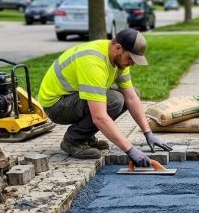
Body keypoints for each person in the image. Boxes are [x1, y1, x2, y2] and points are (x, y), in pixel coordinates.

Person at [37, 28, 171, 166]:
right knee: (114, 100)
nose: (132, 63)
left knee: (131, 94)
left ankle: (85, 136)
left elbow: (131, 98)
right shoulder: (93, 61)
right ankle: (73, 141)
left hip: (71, 97)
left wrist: (148, 132)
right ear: (118, 48)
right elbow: (99, 117)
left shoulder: (118, 58)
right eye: (130, 58)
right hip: (56, 105)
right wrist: (130, 150)